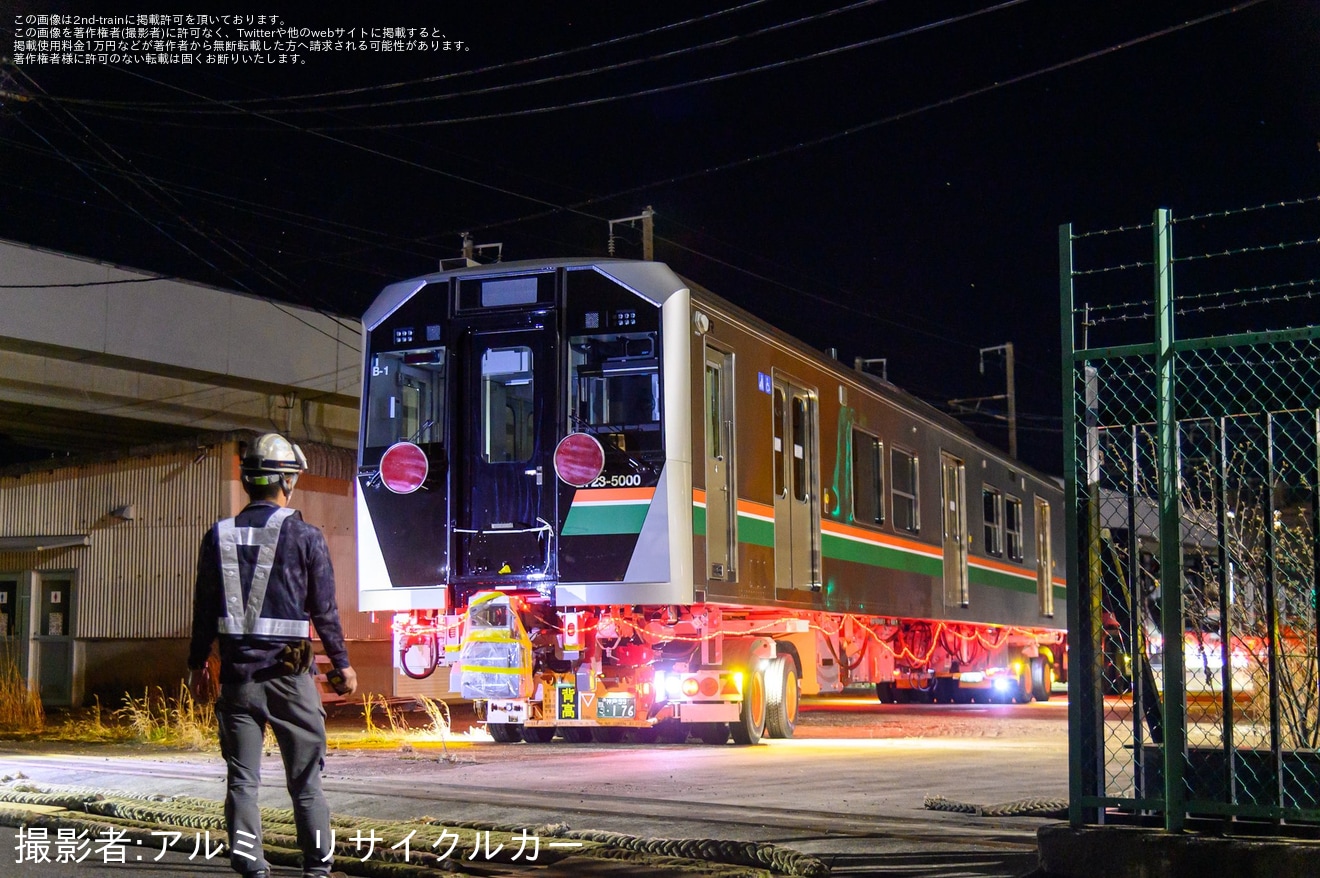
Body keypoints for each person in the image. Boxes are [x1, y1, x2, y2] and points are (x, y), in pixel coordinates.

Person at [187, 433, 358, 878]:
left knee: (243, 782)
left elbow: (204, 608)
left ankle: (251, 866)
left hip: (238, 682)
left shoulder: (217, 536)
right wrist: (341, 665)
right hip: (289, 680)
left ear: (247, 482)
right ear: (286, 481)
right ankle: (318, 868)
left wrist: (196, 664)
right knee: (305, 783)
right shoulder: (306, 536)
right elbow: (324, 610)